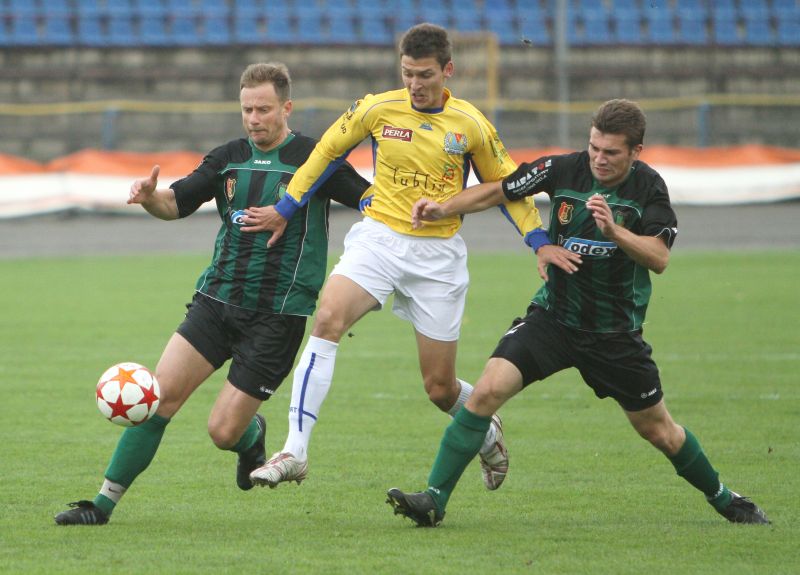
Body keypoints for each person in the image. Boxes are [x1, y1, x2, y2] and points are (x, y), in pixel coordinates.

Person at [386, 98, 770, 526]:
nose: (599, 159)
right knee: (485, 392)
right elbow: (501, 188)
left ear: (635, 152)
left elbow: (658, 258)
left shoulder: (649, 189)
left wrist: (614, 231)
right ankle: (434, 499)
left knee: (658, 430)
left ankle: (724, 498)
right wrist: (444, 207)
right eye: (594, 148)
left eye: (611, 153)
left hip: (613, 334)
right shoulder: (565, 169)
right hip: (554, 318)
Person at [246, 23, 579, 491]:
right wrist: (287, 205)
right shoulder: (376, 108)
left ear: (448, 70)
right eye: (407, 74)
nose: (415, 85)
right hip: (379, 238)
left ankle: (486, 430)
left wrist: (538, 239)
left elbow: (510, 189)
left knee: (439, 388)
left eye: (424, 75)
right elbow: (326, 151)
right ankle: (295, 451)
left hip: (437, 257)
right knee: (327, 319)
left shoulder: (471, 125)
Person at [54, 62, 369, 525]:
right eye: (246, 109)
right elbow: (175, 204)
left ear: (286, 107)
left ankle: (249, 437)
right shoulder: (228, 157)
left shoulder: (315, 159)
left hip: (277, 317)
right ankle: (101, 505)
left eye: (263, 109)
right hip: (215, 303)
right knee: (158, 401)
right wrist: (149, 198)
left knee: (222, 432)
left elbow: (369, 201)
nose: (254, 118)